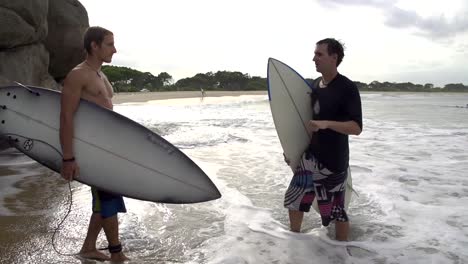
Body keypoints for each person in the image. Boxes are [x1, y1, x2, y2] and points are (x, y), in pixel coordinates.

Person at [60, 26, 129, 262]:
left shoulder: (101, 75)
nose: (115, 49)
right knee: (108, 198)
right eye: (109, 44)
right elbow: (66, 116)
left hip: (107, 148)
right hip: (92, 150)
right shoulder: (78, 74)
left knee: (104, 199)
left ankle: (89, 247)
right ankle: (116, 254)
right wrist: (68, 157)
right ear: (94, 46)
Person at [283, 38, 362, 241]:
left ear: (334, 58)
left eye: (319, 54)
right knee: (294, 199)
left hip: (333, 162)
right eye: (315, 54)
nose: (314, 58)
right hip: (311, 157)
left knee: (336, 212)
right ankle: (294, 240)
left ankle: (341, 252)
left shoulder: (347, 88)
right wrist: (292, 149)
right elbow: (306, 122)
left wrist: (328, 124)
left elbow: (356, 127)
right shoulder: (315, 86)